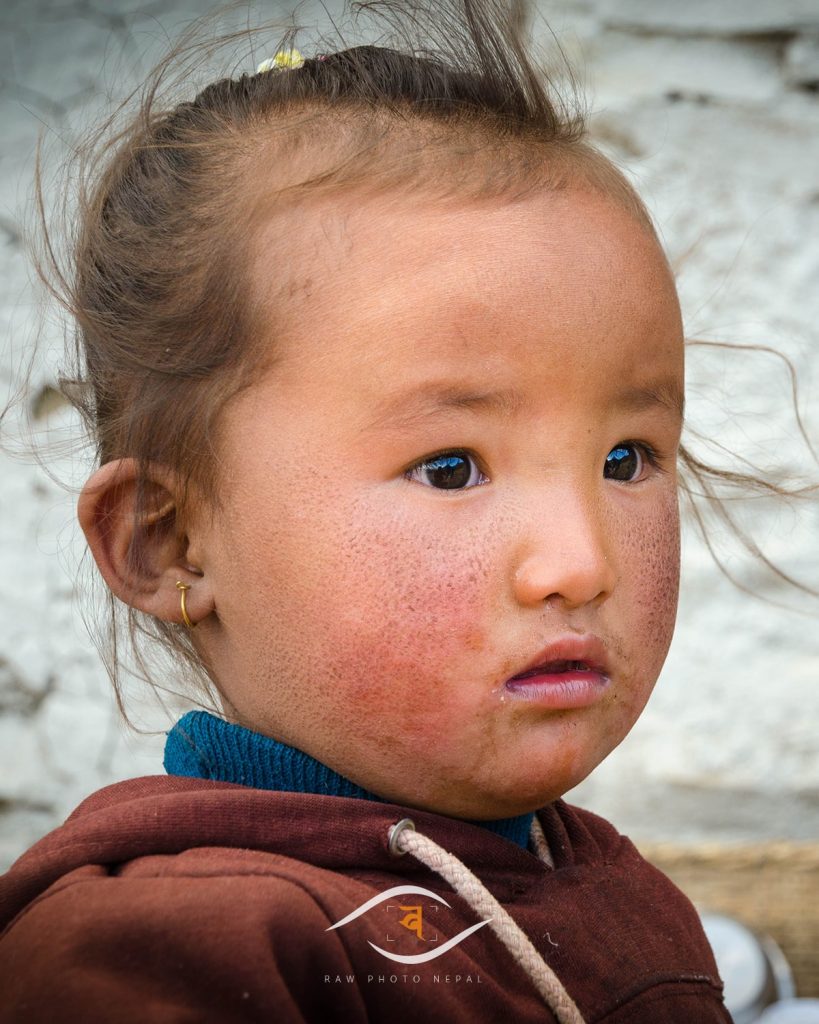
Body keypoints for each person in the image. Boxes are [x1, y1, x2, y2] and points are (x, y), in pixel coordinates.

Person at [0, 1, 739, 1020]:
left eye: (627, 456)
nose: (579, 561)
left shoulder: (602, 888)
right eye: (450, 468)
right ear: (167, 540)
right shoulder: (167, 953)